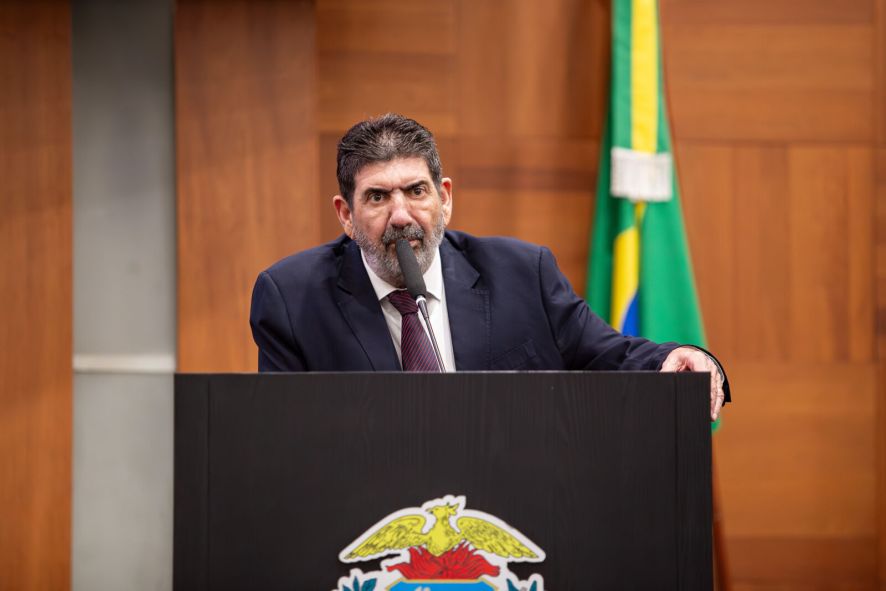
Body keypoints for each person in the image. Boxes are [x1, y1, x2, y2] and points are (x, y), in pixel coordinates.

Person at [250, 114, 729, 419]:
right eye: (377, 197)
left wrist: (677, 357)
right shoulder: (292, 298)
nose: (401, 216)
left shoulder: (522, 274)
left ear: (444, 198)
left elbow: (611, 354)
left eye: (416, 191)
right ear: (346, 215)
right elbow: (282, 436)